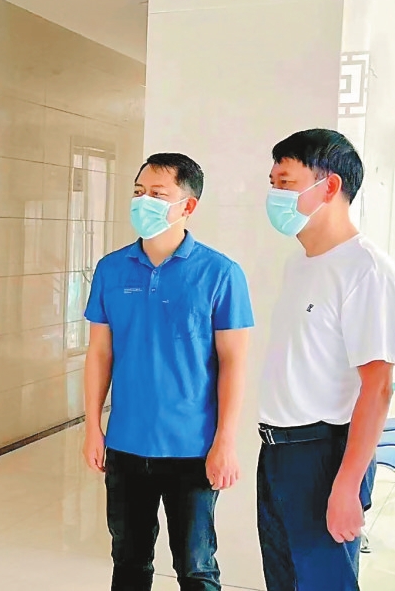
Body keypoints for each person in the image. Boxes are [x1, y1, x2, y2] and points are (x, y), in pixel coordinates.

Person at [83, 153, 254, 590]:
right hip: (126, 443)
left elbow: (234, 363)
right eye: (138, 192)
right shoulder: (111, 269)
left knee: (196, 567)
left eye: (158, 194)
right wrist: (92, 428)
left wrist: (225, 442)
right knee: (129, 562)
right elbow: (99, 353)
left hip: (193, 448)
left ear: (188, 205)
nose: (143, 202)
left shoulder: (220, 273)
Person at [258, 129, 395, 590]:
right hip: (276, 450)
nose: (275, 195)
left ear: (330, 186)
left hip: (323, 455)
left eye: (286, 182)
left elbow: (378, 387)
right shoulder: (299, 264)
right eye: (273, 183)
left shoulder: (366, 269)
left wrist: (347, 484)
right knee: (283, 580)